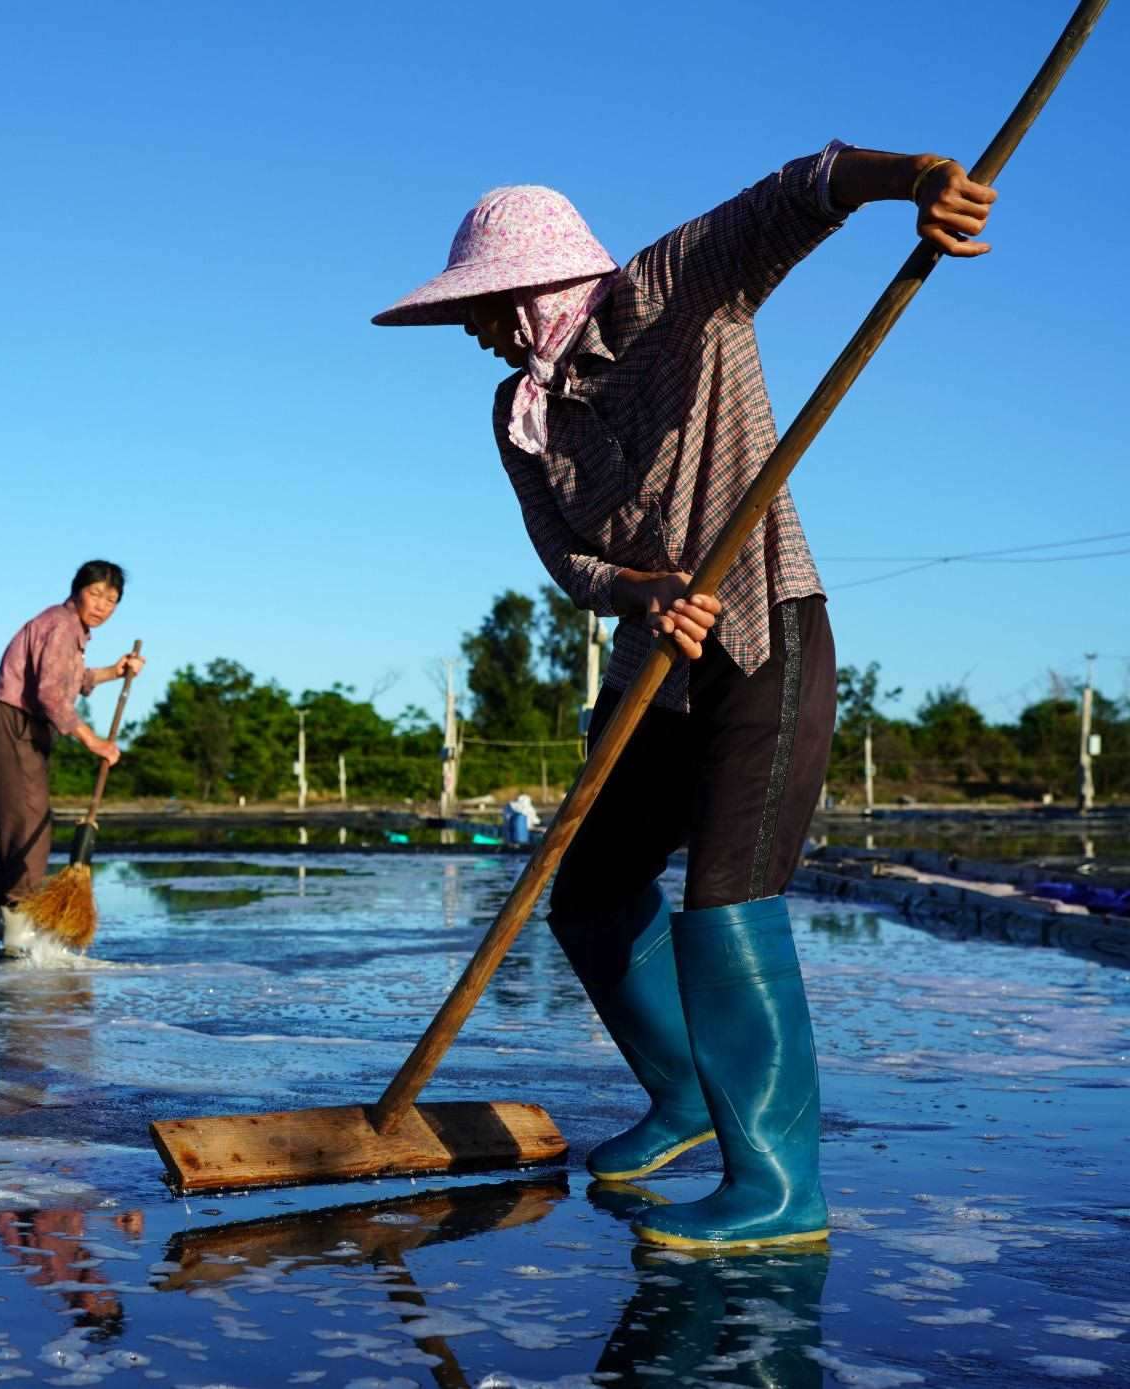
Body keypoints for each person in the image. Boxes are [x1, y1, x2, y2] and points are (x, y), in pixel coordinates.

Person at [372, 143, 996, 1248]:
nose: (473, 329)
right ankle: (685, 1100)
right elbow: (567, 560)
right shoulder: (522, 415)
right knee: (589, 890)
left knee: (725, 896)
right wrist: (640, 591)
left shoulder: (670, 291)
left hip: (764, 635)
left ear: (533, 289)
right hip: (652, 673)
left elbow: (795, 194)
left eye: (482, 306)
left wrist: (915, 180)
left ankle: (780, 1187)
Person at [0, 560, 144, 940]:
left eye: (111, 600)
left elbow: (72, 679)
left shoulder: (70, 630)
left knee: (24, 828)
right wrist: (92, 740)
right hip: (13, 723)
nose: (102, 606)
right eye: (95, 594)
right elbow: (50, 695)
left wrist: (113, 672)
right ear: (77, 590)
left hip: (24, 728)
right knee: (30, 828)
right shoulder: (61, 625)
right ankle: (18, 920)